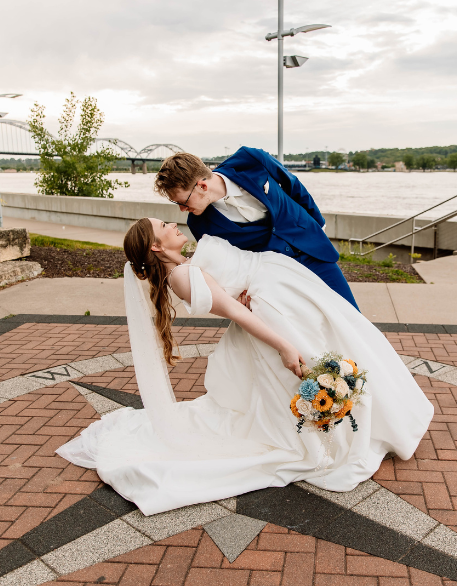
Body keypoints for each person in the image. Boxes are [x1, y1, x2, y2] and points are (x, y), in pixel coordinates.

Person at [56, 219, 434, 516]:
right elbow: (236, 311)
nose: (173, 225)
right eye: (164, 227)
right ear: (156, 245)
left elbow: (231, 297)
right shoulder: (182, 276)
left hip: (272, 305)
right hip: (269, 328)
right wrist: (284, 344)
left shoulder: (183, 269)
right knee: (298, 380)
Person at [153, 148, 359, 310]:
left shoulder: (250, 159)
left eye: (183, 201)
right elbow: (230, 261)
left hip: (313, 248)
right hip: (279, 277)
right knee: (314, 329)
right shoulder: (199, 224)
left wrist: (317, 224)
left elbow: (293, 185)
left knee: (351, 316)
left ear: (202, 186)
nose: (182, 209)